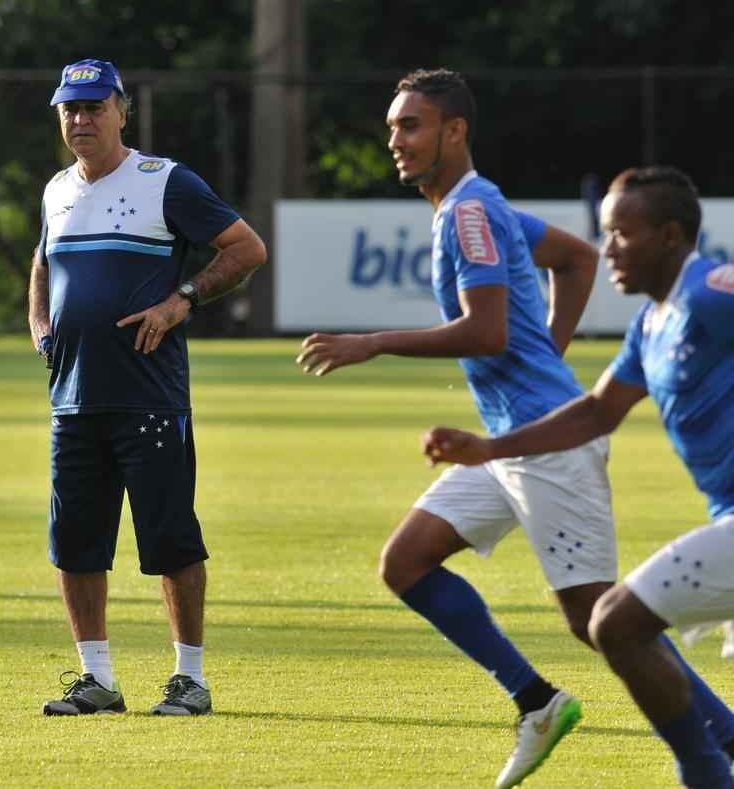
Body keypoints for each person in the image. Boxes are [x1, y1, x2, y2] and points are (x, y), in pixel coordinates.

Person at [296, 68, 729, 789]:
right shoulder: (474, 206)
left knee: (602, 617)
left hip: (546, 442)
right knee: (407, 561)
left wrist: (372, 342)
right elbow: (578, 258)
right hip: (513, 437)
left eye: (411, 125)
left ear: (455, 131)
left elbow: (487, 329)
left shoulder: (469, 212)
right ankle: (537, 700)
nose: (396, 140)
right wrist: (548, 357)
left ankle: (723, 741)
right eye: (394, 126)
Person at [423, 166, 734, 788]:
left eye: (621, 233)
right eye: (605, 232)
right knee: (616, 623)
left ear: (670, 237)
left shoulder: (709, 292)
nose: (607, 248)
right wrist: (489, 449)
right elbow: (595, 412)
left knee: (615, 622)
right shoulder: (650, 325)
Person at [28, 58, 266, 717]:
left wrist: (180, 300)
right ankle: (96, 679)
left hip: (149, 398)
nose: (81, 119)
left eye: (95, 107)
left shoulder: (164, 182)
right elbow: (43, 261)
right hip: (73, 398)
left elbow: (246, 248)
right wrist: (41, 328)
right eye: (71, 108)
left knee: (170, 540)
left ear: (122, 112)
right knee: (76, 542)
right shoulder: (57, 189)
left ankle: (190, 679)